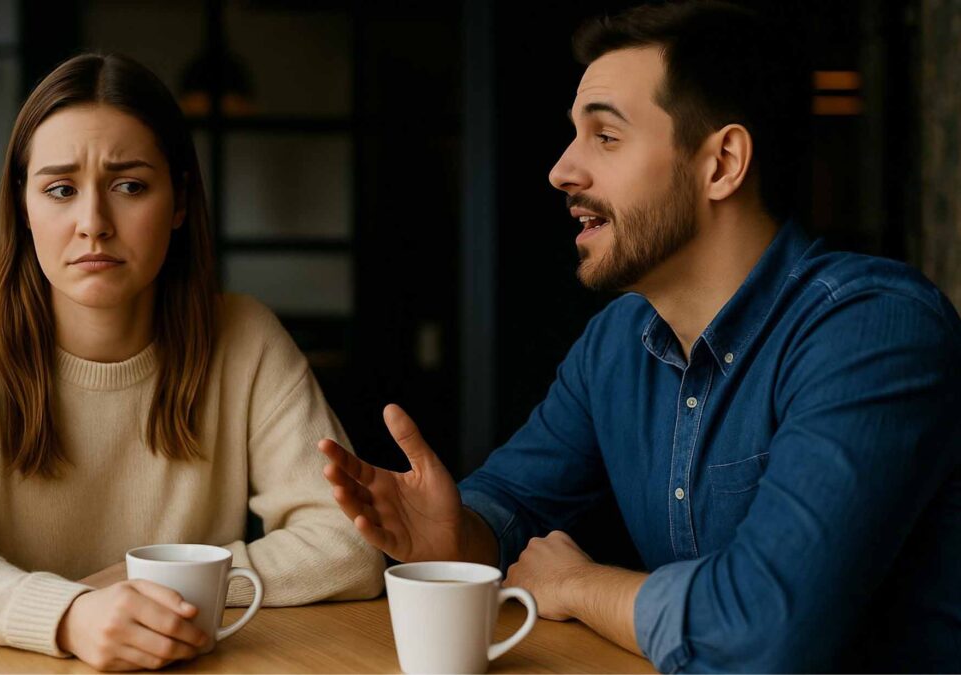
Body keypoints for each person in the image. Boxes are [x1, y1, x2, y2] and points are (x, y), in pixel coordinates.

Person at [320, 2, 961, 671]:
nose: (562, 170)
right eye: (574, 135)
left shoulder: (873, 328)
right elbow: (513, 500)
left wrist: (578, 583)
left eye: (605, 137)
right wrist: (457, 534)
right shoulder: (619, 341)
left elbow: (766, 629)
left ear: (722, 164)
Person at [0, 53, 384, 672]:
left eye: (130, 186)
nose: (94, 224)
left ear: (178, 203)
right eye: (60, 189)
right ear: (23, 206)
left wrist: (153, 583)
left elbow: (348, 546)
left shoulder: (244, 338)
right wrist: (72, 615)